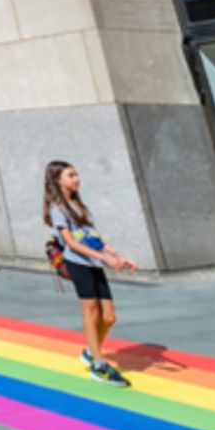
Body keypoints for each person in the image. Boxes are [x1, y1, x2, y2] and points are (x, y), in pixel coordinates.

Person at [42, 160, 137, 389]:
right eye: (71, 175)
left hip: (95, 262)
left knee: (109, 317)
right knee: (91, 310)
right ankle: (99, 364)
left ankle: (90, 350)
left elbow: (94, 236)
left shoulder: (79, 205)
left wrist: (116, 255)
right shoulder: (58, 209)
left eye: (76, 174)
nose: (77, 179)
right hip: (78, 264)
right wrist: (103, 258)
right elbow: (71, 243)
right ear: (58, 180)